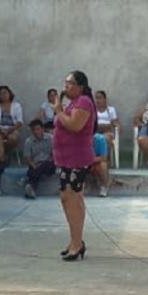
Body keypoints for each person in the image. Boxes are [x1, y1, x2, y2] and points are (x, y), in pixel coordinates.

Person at [54, 71, 97, 262]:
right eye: (65, 83)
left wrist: (58, 111)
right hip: (65, 158)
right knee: (66, 197)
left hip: (77, 158)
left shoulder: (84, 102)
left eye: (70, 83)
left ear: (80, 86)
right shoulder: (72, 103)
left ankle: (77, 243)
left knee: (74, 198)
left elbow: (74, 126)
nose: (66, 87)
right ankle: (74, 241)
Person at [23, 119, 55, 199]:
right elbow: (27, 157)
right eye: (33, 130)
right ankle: (31, 189)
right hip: (35, 164)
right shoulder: (28, 141)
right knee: (34, 170)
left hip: (49, 163)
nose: (36, 132)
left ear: (42, 129)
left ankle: (28, 185)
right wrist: (33, 165)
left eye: (38, 129)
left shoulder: (51, 138)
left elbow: (55, 154)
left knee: (41, 167)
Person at [0, 86, 23, 155]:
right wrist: (1, 129)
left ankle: (4, 153)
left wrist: (9, 130)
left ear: (10, 94)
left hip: (12, 129)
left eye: (5, 93)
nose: (4, 95)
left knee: (12, 139)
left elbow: (20, 121)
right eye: (1, 94)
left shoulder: (17, 105)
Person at [95, 91, 119, 162]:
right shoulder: (93, 110)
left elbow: (115, 122)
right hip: (96, 131)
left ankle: (105, 160)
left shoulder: (111, 110)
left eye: (99, 98)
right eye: (96, 98)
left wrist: (117, 125)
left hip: (107, 131)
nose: (97, 100)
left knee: (104, 138)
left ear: (105, 99)